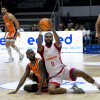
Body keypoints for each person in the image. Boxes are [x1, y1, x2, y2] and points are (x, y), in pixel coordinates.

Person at [37, 19, 100, 94]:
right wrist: (40, 31)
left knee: (81, 72)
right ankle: (72, 90)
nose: (48, 38)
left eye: (49, 37)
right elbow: (39, 45)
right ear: (44, 38)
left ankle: (98, 85)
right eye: (46, 37)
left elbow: (58, 41)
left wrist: (52, 29)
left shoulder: (56, 46)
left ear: (52, 38)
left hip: (63, 70)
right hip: (54, 76)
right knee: (51, 90)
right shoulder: (43, 49)